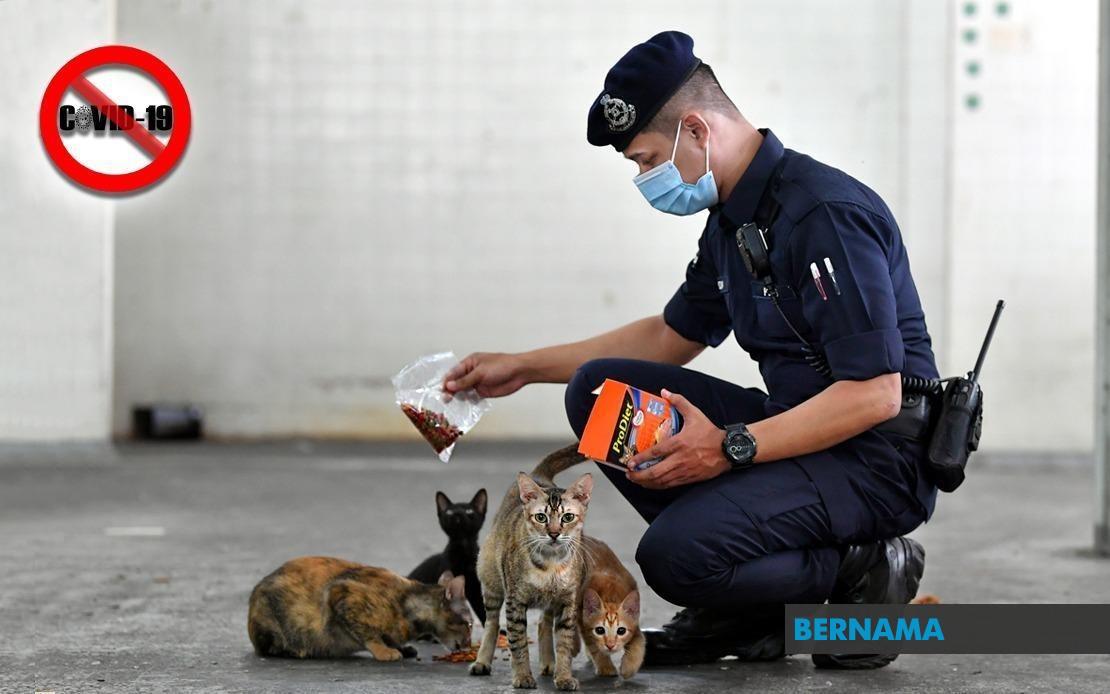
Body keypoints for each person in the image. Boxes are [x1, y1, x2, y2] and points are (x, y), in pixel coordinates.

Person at [443, 30, 937, 670]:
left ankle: (863, 565)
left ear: (697, 131)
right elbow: (671, 336)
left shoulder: (824, 214)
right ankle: (752, 596)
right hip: (798, 431)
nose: (647, 179)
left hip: (874, 457)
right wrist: (522, 366)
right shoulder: (733, 221)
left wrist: (729, 447)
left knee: (675, 558)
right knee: (599, 395)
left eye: (648, 160)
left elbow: (875, 392)